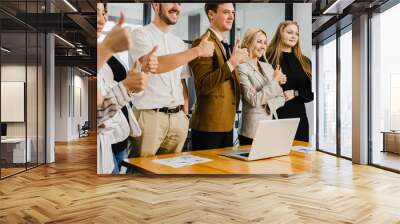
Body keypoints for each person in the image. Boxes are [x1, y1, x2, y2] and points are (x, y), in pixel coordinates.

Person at [129, 3, 215, 157]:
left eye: (179, 3)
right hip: (150, 118)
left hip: (178, 119)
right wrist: (197, 51)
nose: (176, 6)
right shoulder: (140, 34)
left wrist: (184, 115)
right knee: (141, 174)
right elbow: (156, 65)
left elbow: (181, 81)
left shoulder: (179, 43)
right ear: (156, 5)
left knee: (169, 173)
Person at [97, 3, 156, 174]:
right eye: (97, 13)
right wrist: (127, 85)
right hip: (106, 140)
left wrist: (137, 74)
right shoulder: (92, 53)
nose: (102, 18)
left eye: (105, 12)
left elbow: (122, 89)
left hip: (120, 136)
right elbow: (98, 112)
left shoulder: (111, 54)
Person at [189, 3, 249, 150]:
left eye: (233, 13)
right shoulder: (202, 43)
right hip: (208, 127)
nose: (231, 17)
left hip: (226, 125)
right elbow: (204, 85)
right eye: (226, 12)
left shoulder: (224, 45)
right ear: (211, 14)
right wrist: (233, 62)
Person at [237, 28, 286, 145]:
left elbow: (281, 98)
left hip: (270, 127)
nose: (263, 46)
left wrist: (264, 101)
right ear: (247, 43)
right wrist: (274, 81)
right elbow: (253, 100)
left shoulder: (268, 67)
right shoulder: (241, 68)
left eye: (265, 42)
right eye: (259, 41)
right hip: (251, 131)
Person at [266, 21, 313, 142]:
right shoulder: (267, 57)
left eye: (296, 34)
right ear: (280, 34)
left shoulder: (305, 62)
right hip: (273, 117)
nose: (294, 36)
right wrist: (275, 81)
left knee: (300, 160)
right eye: (290, 32)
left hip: (299, 120)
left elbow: (311, 93)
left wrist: (295, 93)